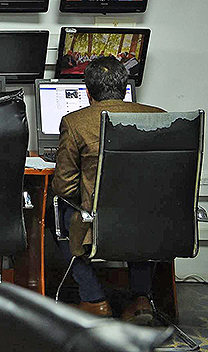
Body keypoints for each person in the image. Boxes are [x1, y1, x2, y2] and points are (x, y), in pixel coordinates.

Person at [52, 56, 164, 323]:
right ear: (125, 88)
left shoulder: (75, 122)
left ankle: (94, 300)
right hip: (153, 222)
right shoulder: (160, 117)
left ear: (87, 92)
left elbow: (64, 186)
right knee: (140, 213)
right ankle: (141, 299)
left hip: (100, 222)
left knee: (58, 213)